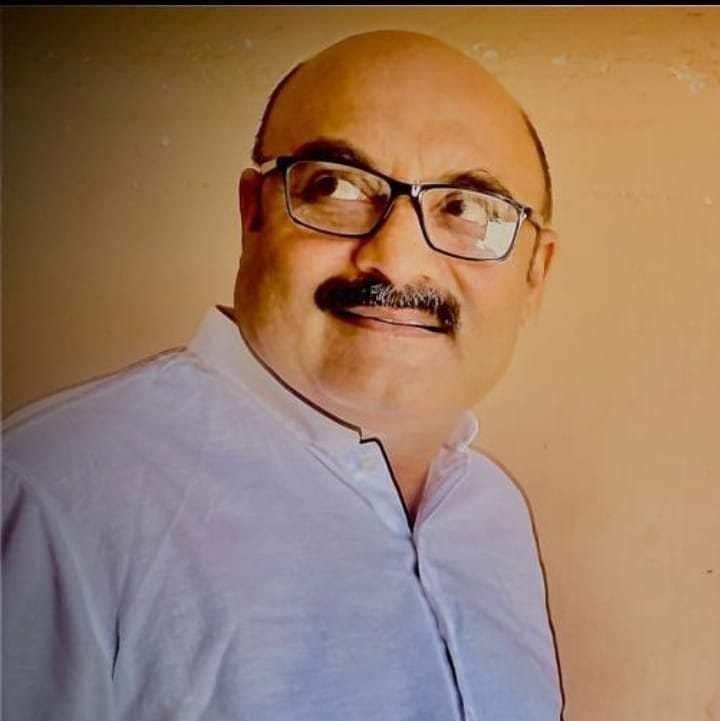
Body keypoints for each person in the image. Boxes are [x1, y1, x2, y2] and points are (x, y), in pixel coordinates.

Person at [2, 30, 562, 721]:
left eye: (467, 209)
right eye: (336, 186)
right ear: (254, 214)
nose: (397, 259)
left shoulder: (494, 514)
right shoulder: (52, 500)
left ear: (536, 274)